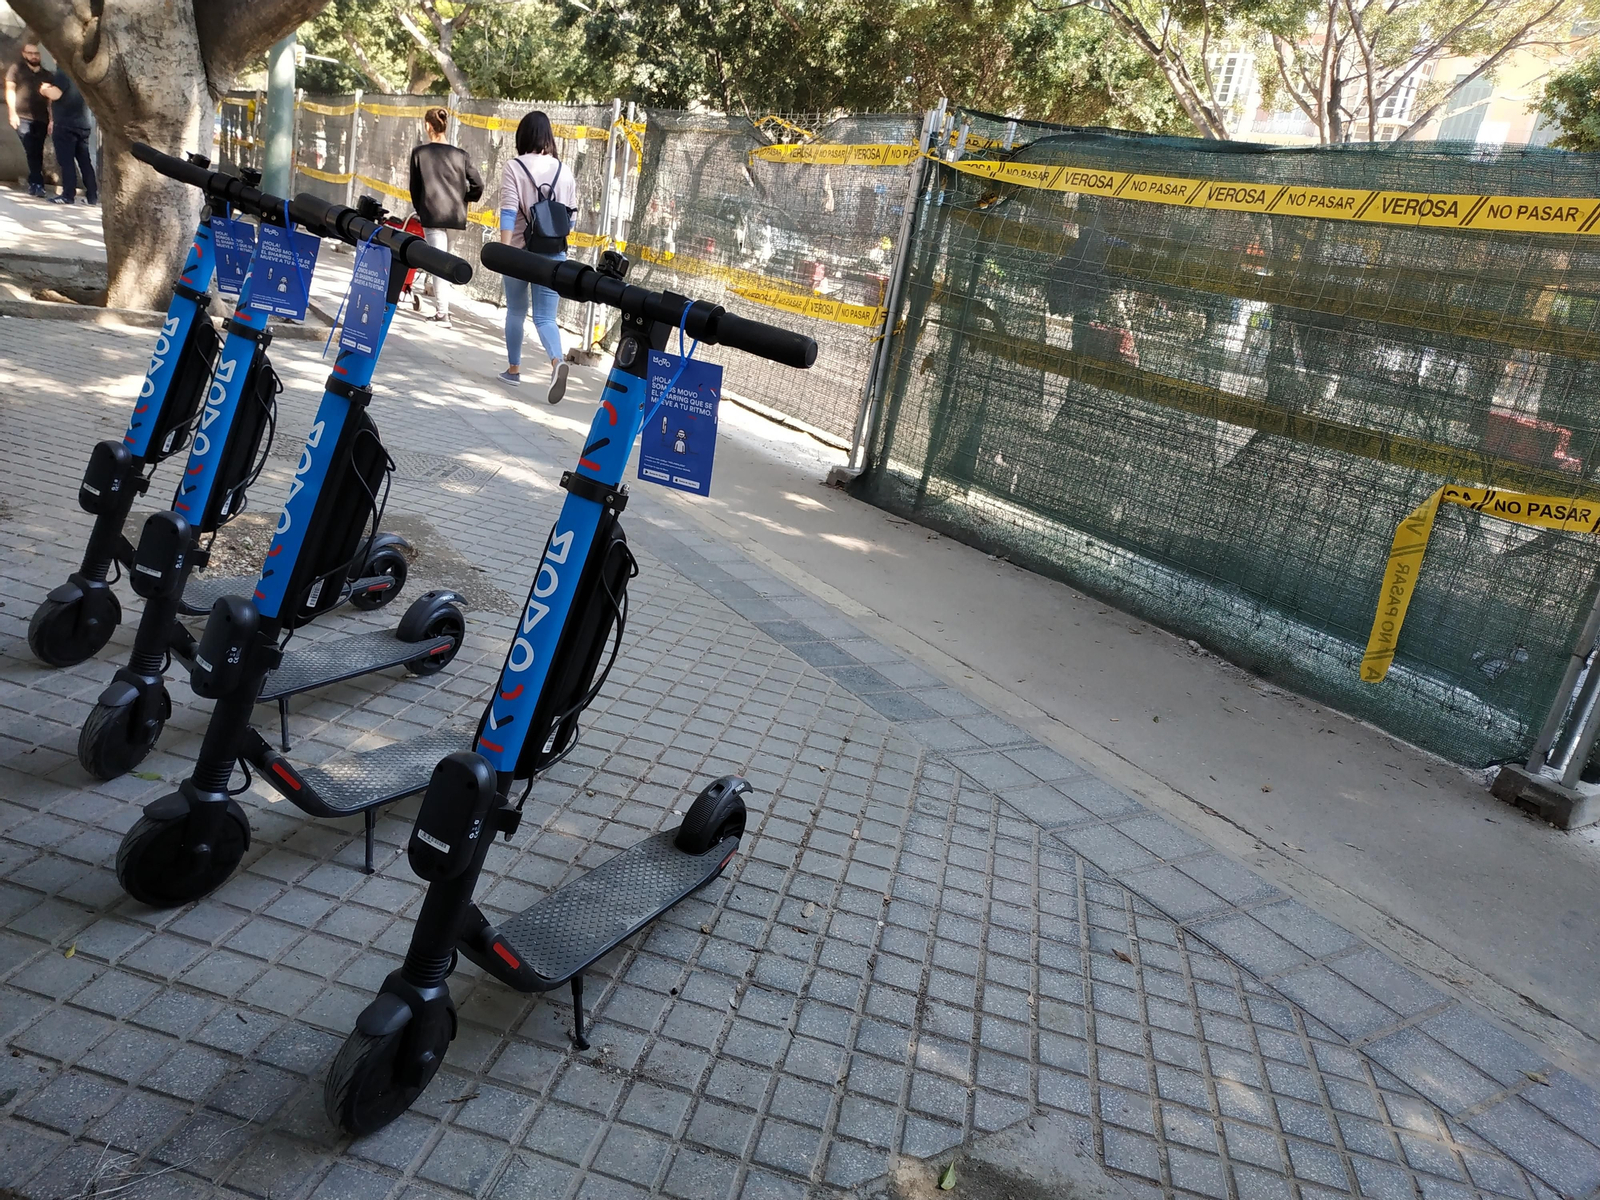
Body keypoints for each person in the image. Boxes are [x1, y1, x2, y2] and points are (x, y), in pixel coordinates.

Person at [498, 110, 577, 404]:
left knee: (516, 311)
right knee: (545, 317)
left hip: (519, 251)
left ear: (522, 135)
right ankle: (557, 361)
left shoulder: (514, 166)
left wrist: (504, 251)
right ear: (548, 136)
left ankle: (513, 370)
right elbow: (571, 221)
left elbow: (508, 211)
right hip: (554, 254)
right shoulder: (564, 171)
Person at [407, 106, 481, 327]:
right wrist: (465, 198)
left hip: (433, 215)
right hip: (455, 216)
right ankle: (442, 308)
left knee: (438, 264)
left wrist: (421, 209)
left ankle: (443, 314)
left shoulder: (420, 153)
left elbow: (415, 188)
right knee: (445, 260)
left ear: (427, 126)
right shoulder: (461, 155)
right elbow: (478, 184)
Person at [39, 66, 95, 205]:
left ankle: (68, 195)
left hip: (65, 124)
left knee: (66, 161)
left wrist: (44, 89)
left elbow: (55, 94)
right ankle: (92, 196)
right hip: (83, 123)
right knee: (85, 162)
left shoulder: (63, 72)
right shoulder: (82, 73)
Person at [6, 42, 51, 198]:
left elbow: (51, 101)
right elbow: (10, 90)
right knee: (30, 148)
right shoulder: (16, 69)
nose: (34, 56)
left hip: (42, 118)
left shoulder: (47, 75)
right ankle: (37, 183)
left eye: (36, 53)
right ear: (24, 54)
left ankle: (36, 181)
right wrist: (12, 113)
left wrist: (52, 120)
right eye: (30, 53)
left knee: (37, 150)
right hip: (22, 117)